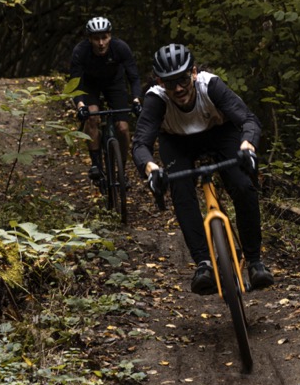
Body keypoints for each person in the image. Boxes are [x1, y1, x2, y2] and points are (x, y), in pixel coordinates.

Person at [133, 43, 274, 295]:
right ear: (159, 82)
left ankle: (254, 261)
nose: (178, 88)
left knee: (243, 185)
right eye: (170, 82)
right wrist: (151, 167)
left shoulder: (211, 86)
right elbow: (141, 144)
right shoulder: (155, 99)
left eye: (183, 79)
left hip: (220, 133)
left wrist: (247, 145)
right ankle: (203, 264)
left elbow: (248, 119)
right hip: (177, 143)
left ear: (194, 73)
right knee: (181, 191)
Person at [68, 16, 141, 185]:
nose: (101, 43)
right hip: (90, 85)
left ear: (110, 36)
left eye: (104, 38)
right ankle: (96, 165)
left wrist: (137, 100)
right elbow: (75, 83)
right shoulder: (81, 51)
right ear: (89, 39)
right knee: (92, 116)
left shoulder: (120, 48)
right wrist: (80, 105)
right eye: (96, 38)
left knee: (122, 128)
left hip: (114, 84)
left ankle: (122, 169)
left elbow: (134, 77)